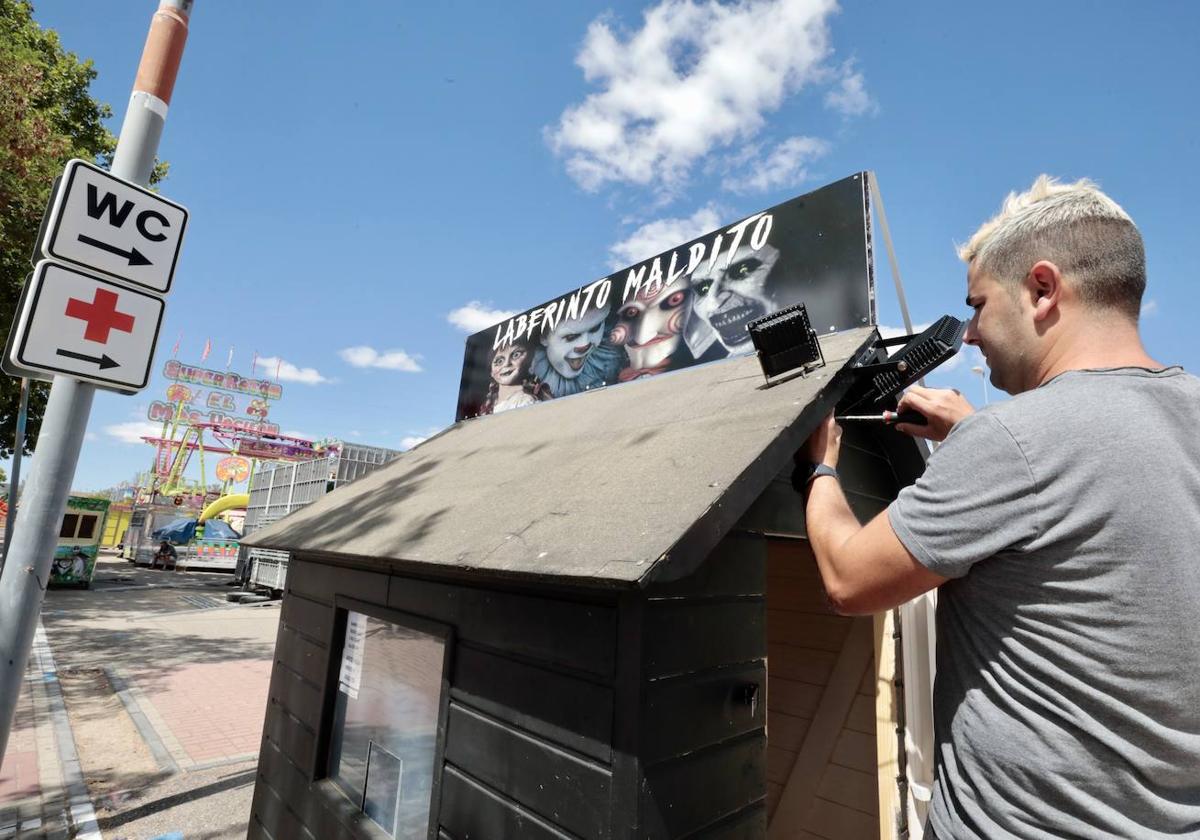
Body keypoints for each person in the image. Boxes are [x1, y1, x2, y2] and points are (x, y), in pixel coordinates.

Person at [799, 176, 1200, 838]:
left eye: (978, 305)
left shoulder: (1016, 440)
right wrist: (970, 436)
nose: (972, 335)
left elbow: (847, 578)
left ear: (1042, 291)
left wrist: (820, 464)